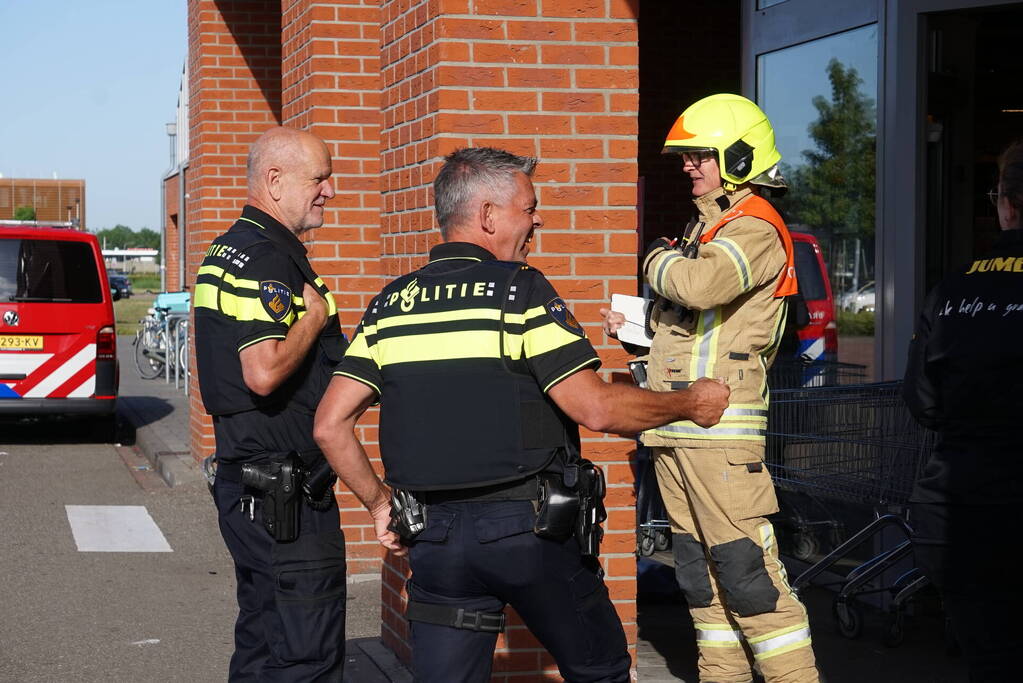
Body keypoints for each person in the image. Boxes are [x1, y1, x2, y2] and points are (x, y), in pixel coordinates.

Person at [313, 147, 731, 683]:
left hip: (434, 542)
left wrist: (379, 503)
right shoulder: (519, 291)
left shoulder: (391, 304)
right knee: (599, 669)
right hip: (528, 534)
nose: (537, 220)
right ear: (487, 216)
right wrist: (688, 403)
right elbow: (594, 407)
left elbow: (329, 425)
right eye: (528, 207)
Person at [602, 94, 819, 683]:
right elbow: (693, 322)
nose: (688, 167)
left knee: (749, 577)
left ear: (740, 156)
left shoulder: (753, 227)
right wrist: (641, 329)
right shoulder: (711, 226)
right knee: (700, 578)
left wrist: (654, 260)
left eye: (700, 155)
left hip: (720, 436)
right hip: (678, 430)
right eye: (688, 157)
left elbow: (699, 285)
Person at [194, 126, 350, 681]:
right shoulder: (266, 258)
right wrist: (313, 318)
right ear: (275, 180)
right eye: (319, 178)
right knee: (304, 657)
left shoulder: (231, 247)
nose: (330, 190)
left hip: (252, 487)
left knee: (262, 644)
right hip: (285, 500)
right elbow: (263, 373)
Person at [903, 140, 1023, 682]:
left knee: (989, 658)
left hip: (959, 513)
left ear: (1006, 204)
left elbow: (922, 402)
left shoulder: (952, 291)